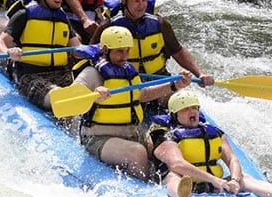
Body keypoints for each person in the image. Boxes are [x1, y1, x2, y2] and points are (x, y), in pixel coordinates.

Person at [152, 90, 272, 197]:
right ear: (175, 114)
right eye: (186, 109)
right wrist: (215, 180)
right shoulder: (165, 135)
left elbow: (232, 159)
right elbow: (177, 164)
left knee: (246, 178)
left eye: (195, 108)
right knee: (174, 176)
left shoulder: (214, 132)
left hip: (210, 183)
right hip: (185, 180)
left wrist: (235, 180)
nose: (192, 112)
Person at [70, 26, 191, 180]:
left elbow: (142, 94)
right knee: (137, 153)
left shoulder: (128, 71)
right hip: (99, 137)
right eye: (120, 51)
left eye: (127, 50)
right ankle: (147, 187)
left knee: (163, 144)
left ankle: (175, 182)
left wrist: (174, 85)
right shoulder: (92, 73)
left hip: (131, 132)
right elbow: (72, 98)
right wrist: (93, 96)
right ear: (106, 49)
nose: (125, 56)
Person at [91, 0, 214, 116]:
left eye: (144, 0)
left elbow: (178, 52)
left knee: (184, 100)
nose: (141, 5)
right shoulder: (109, 27)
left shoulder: (160, 24)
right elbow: (92, 57)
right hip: (127, 84)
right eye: (136, 1)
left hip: (160, 81)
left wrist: (200, 73)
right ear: (124, 2)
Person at [0, 0, 84, 112]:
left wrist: (95, 51)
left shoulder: (63, 17)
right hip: (30, 75)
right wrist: (8, 52)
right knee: (61, 97)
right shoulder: (24, 14)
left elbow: (78, 51)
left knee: (80, 97)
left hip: (61, 74)